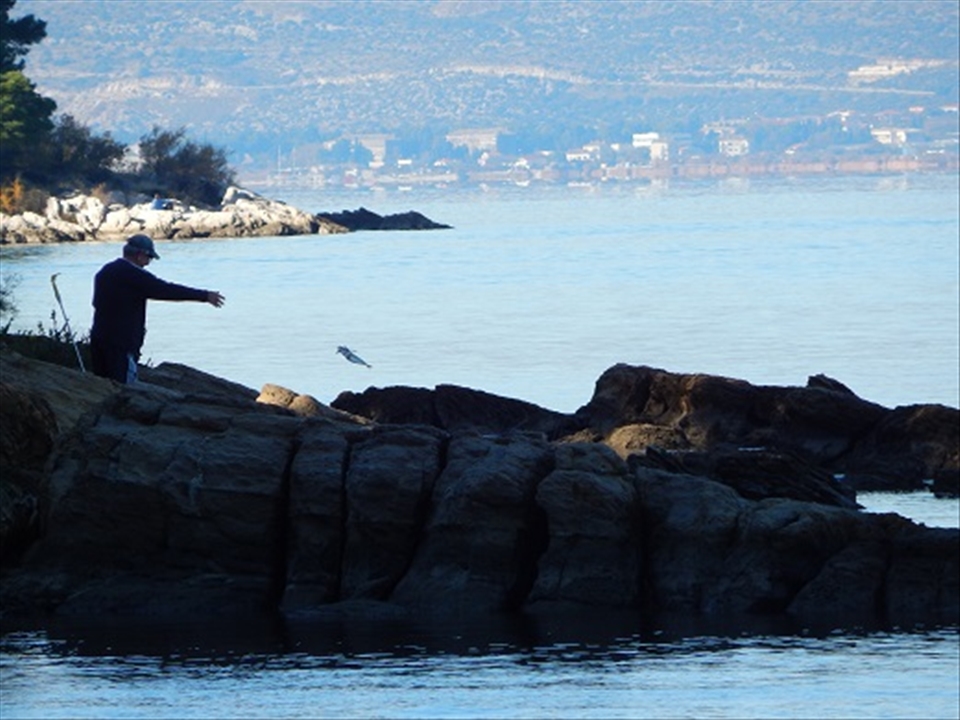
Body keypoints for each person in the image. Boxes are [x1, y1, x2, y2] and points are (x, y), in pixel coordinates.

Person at [90, 234, 225, 383]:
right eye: (149, 258)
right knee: (124, 389)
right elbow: (165, 290)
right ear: (140, 255)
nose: (148, 263)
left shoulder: (105, 272)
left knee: (102, 385)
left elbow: (96, 303)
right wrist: (204, 296)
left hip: (99, 337)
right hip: (122, 344)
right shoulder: (134, 275)